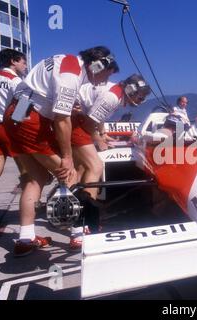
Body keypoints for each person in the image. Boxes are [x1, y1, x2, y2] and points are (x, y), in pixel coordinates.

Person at [4, 46, 117, 257]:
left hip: (17, 114)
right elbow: (62, 119)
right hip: (31, 118)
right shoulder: (71, 72)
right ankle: (78, 233)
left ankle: (26, 238)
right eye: (104, 75)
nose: (101, 82)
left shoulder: (64, 60)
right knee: (70, 175)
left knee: (35, 178)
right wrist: (67, 158)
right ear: (97, 64)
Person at [69, 74, 151, 250]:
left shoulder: (116, 93)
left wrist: (102, 134)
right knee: (95, 166)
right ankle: (83, 223)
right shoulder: (113, 96)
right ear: (131, 90)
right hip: (75, 120)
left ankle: (74, 216)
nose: (141, 101)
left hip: (76, 118)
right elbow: (91, 121)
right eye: (140, 97)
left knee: (81, 169)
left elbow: (98, 117)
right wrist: (99, 140)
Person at [0, 49, 28, 228]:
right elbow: (24, 105)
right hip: (11, 129)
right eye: (22, 61)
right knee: (27, 172)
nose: (24, 65)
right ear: (13, 61)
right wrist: (15, 123)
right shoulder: (15, 81)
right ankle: (30, 209)